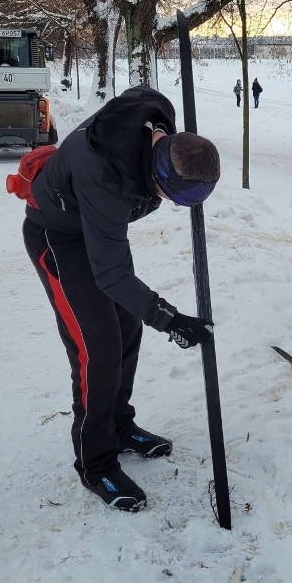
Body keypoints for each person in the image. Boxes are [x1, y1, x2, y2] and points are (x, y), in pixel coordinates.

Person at [21, 85, 220, 513]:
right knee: (98, 349)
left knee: (127, 327)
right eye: (170, 198)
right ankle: (95, 462)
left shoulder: (158, 122)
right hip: (58, 237)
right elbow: (112, 273)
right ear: (157, 176)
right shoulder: (105, 177)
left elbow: (142, 94)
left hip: (91, 226)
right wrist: (171, 319)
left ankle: (118, 425)